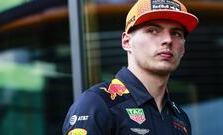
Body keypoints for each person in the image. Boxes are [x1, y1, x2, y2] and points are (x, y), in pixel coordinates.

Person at [63, 0, 199, 134]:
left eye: (176, 33)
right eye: (153, 31)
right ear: (126, 41)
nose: (168, 40)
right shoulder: (97, 103)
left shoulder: (180, 118)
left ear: (183, 49)